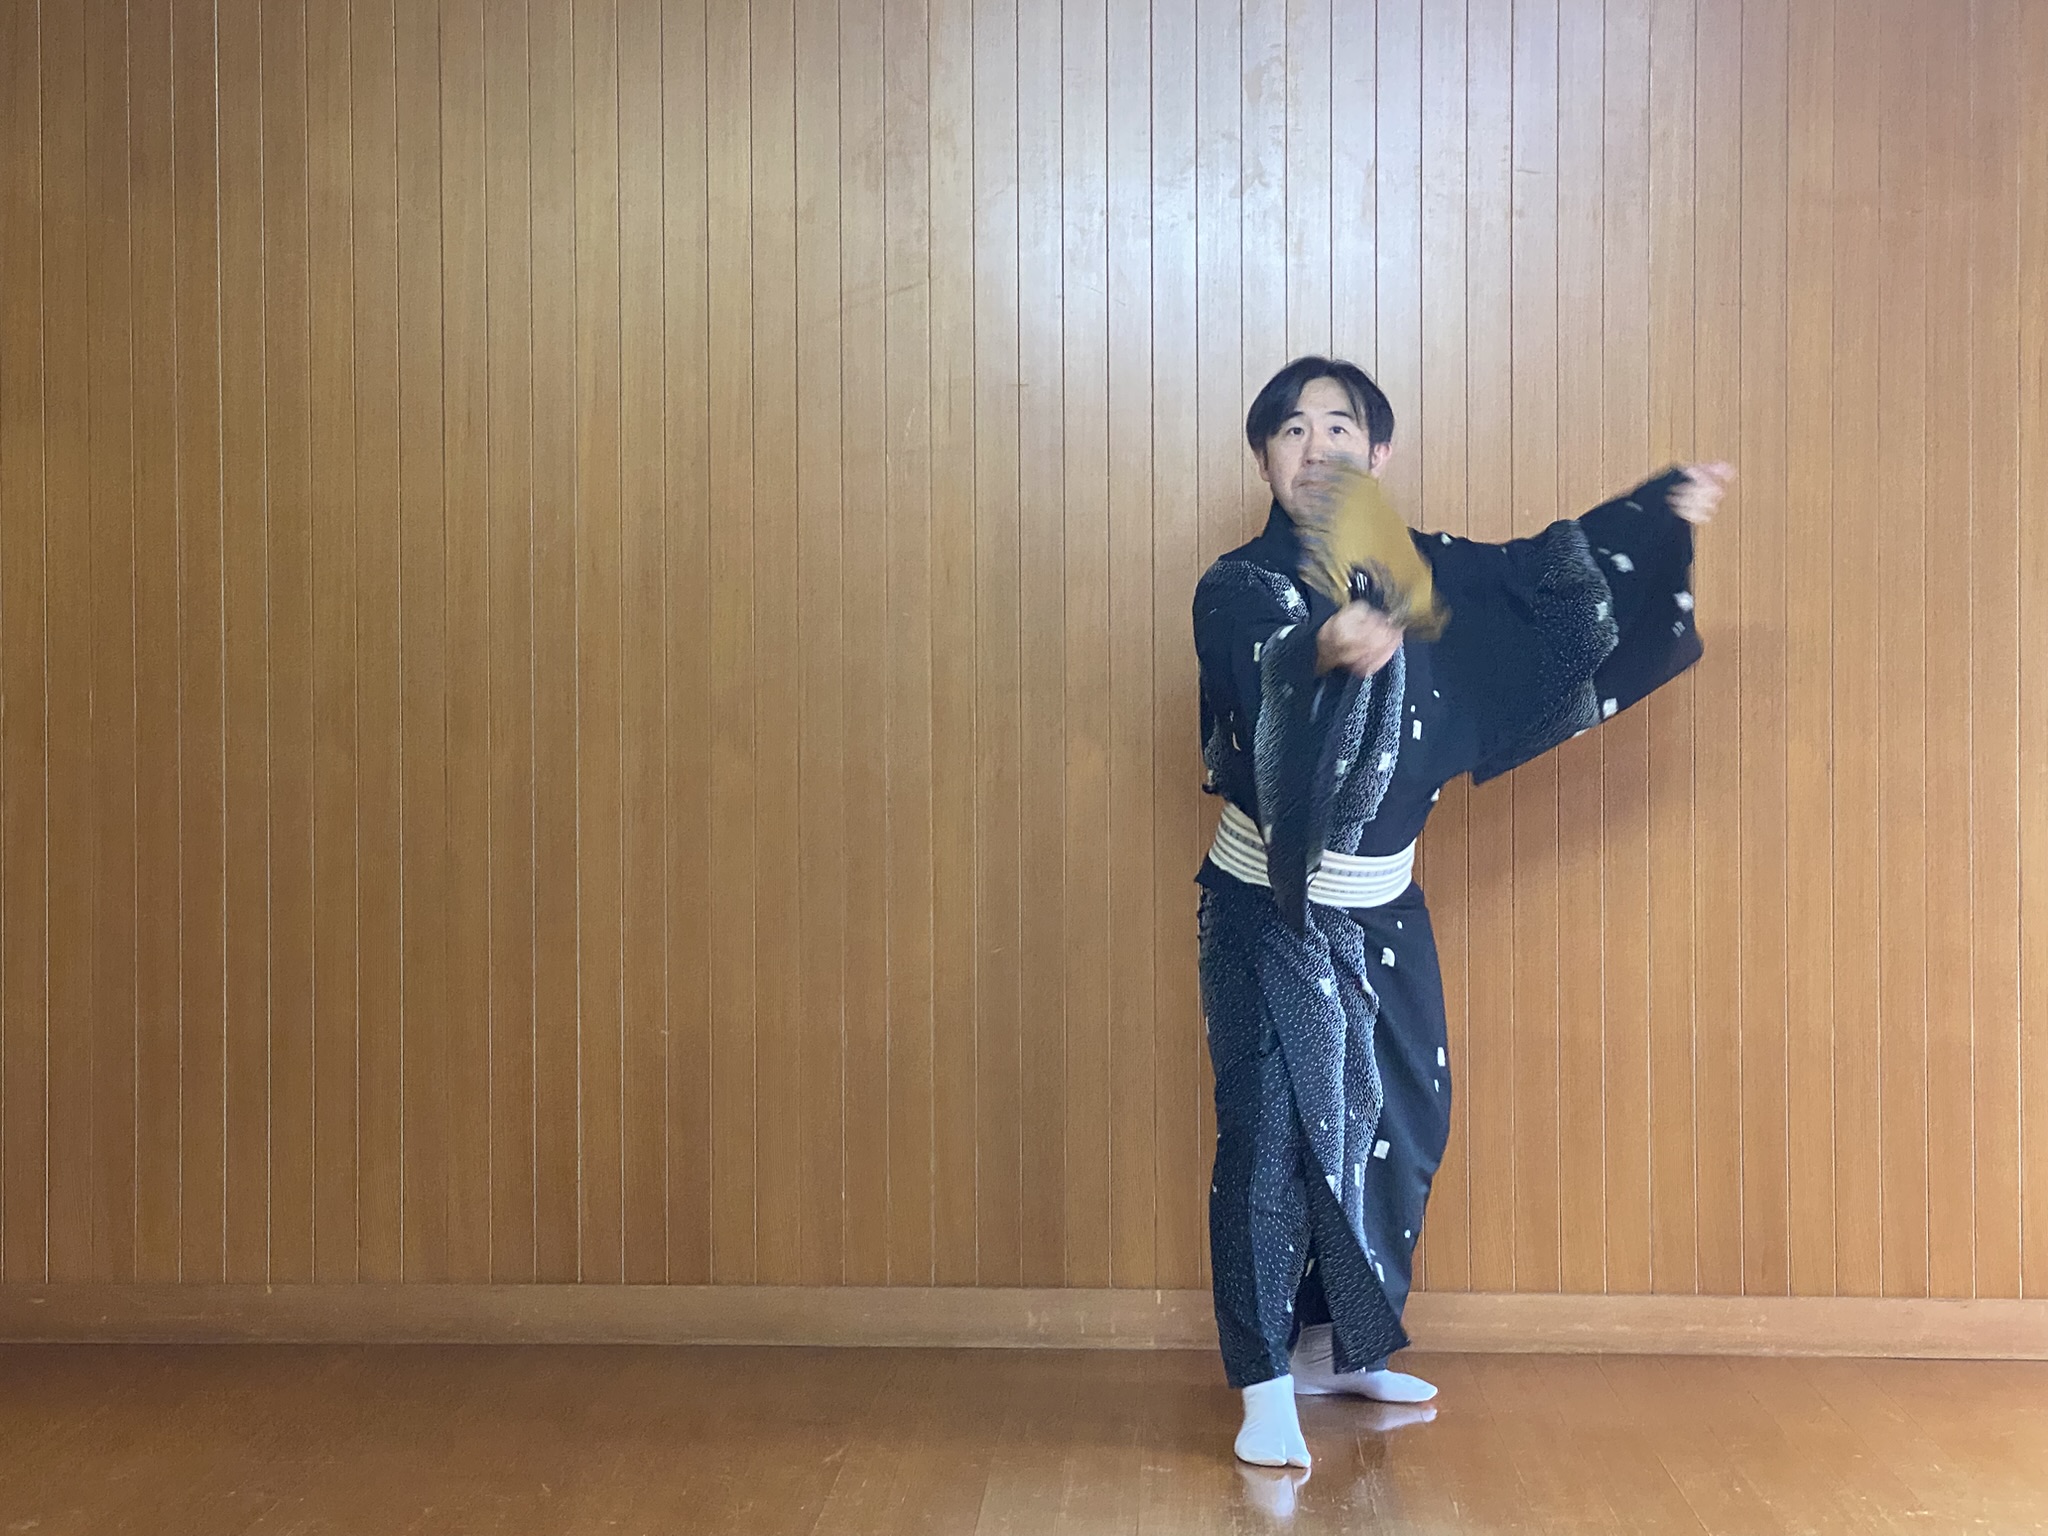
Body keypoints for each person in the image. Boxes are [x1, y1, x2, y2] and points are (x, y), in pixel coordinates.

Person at [1194, 356, 1730, 1469]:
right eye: (1290, 431)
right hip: (1268, 913)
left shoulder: (1420, 569)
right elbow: (1260, 665)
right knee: (1271, 1139)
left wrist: (1652, 516)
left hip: (1383, 907)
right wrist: (1322, 651)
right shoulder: (1239, 585)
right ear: (1263, 457)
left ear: (1377, 452)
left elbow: (1540, 582)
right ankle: (1262, 1383)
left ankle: (1337, 1348)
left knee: (1399, 1125)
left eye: (1340, 427)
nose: (1316, 447)